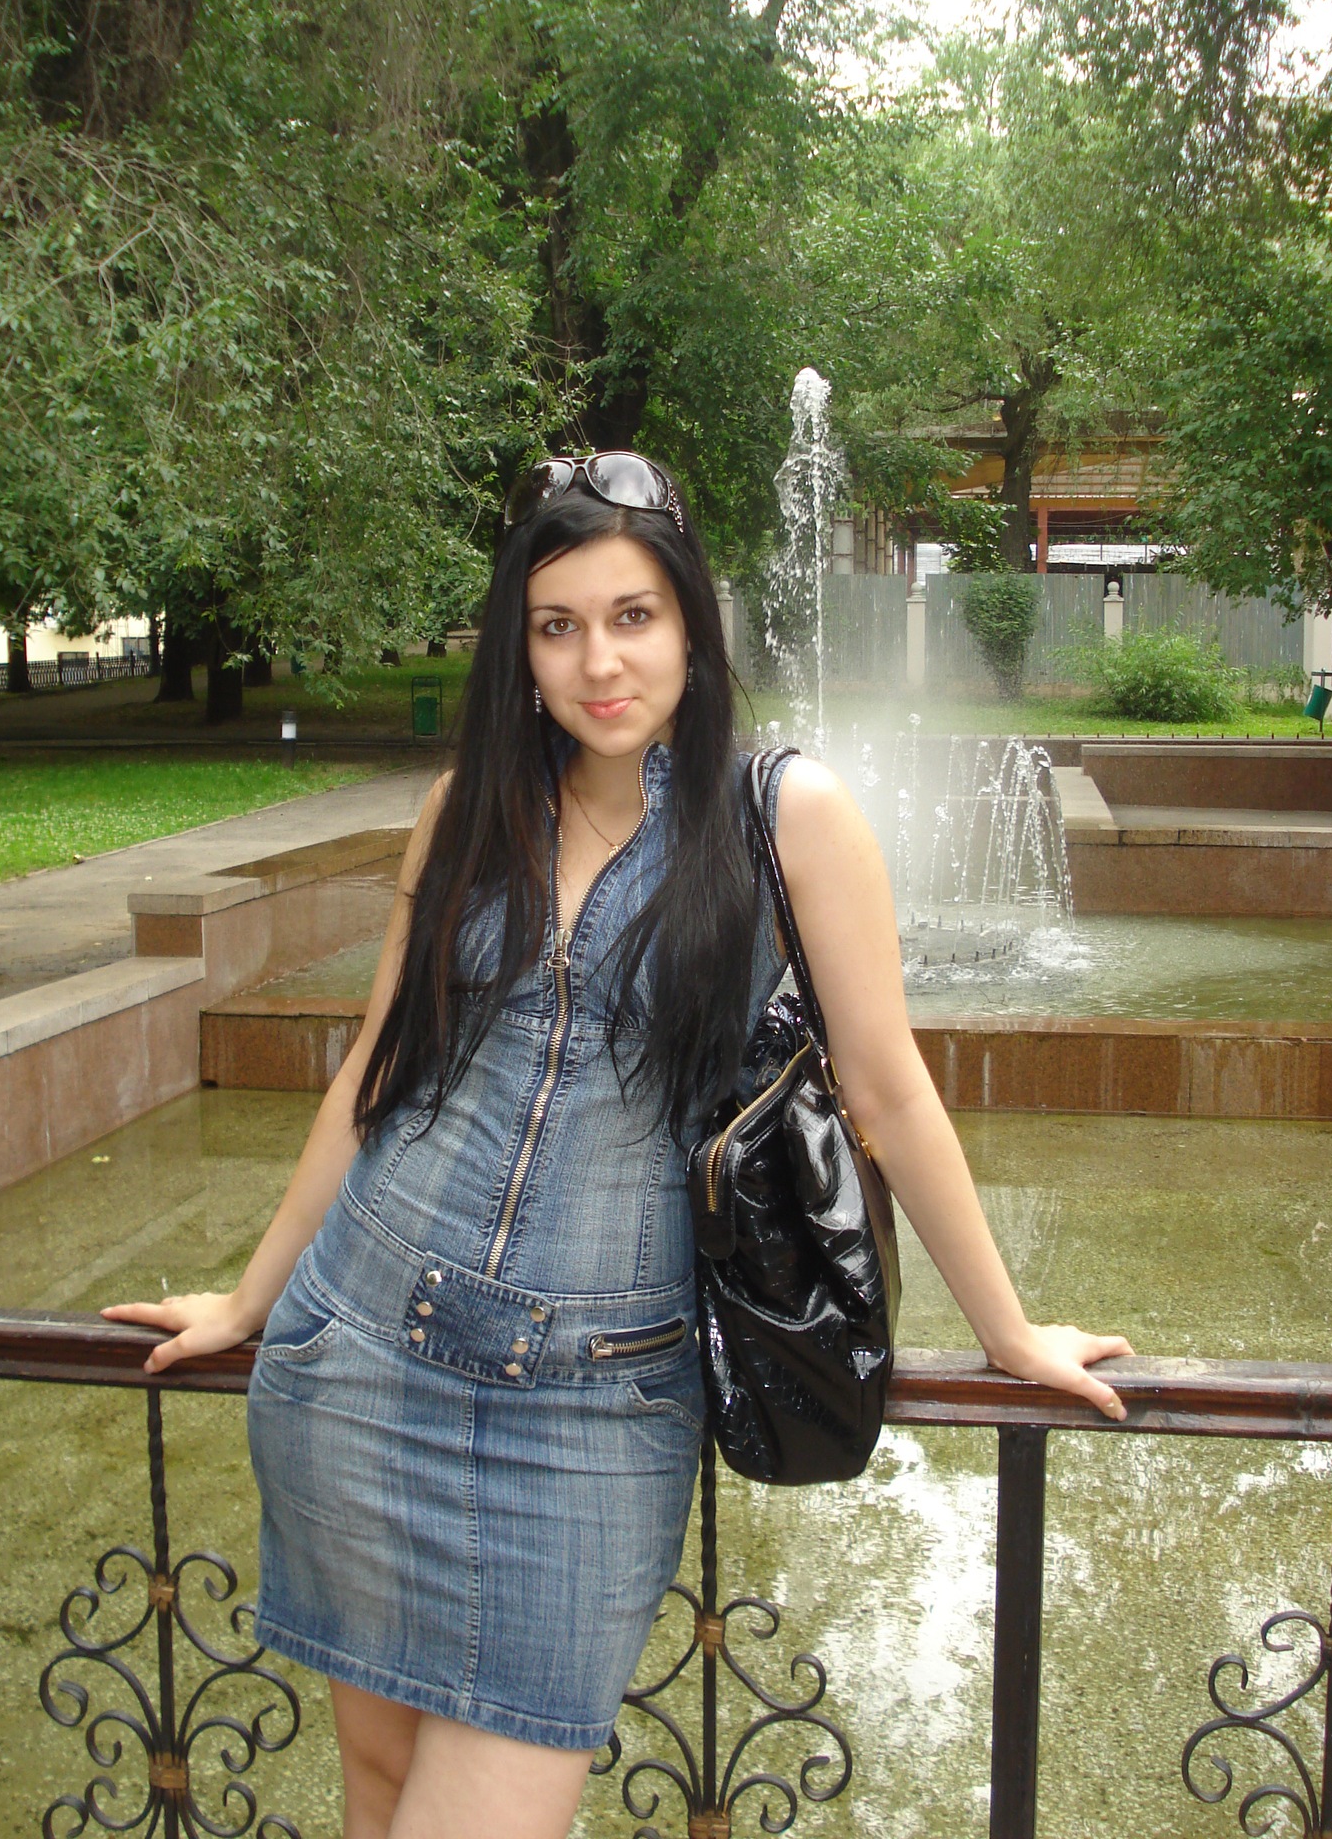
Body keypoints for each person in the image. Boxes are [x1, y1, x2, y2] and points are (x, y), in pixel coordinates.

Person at [105, 451, 1131, 1839]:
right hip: (364, 1358)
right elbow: (374, 1072)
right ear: (519, 650)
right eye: (559, 625)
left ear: (692, 623)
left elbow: (889, 1094)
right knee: (379, 1791)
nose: (600, 661)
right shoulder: (469, 810)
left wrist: (1005, 1331)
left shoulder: (786, 816)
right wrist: (251, 1298)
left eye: (633, 616)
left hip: (594, 1412)